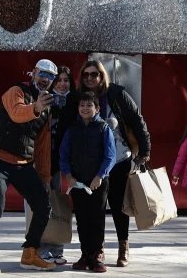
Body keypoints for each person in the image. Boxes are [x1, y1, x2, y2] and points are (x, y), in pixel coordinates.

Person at [59, 59, 150, 268]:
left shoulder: (116, 94)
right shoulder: (76, 99)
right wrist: (63, 167)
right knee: (86, 212)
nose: (90, 78)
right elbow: (65, 130)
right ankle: (88, 253)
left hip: (116, 158)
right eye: (86, 75)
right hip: (84, 164)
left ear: (102, 76)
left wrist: (145, 150)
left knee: (118, 206)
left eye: (94, 74)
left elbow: (137, 119)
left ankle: (122, 246)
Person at [0, 58, 57, 275]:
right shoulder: (16, 91)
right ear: (33, 73)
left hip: (22, 163)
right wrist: (36, 107)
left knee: (43, 205)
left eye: (50, 77)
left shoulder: (48, 109)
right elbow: (16, 113)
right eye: (42, 74)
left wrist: (45, 177)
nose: (45, 79)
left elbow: (41, 147)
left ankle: (30, 253)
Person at [59, 91, 115, 273]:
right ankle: (85, 254)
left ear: (97, 108)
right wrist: (68, 175)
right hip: (78, 182)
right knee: (82, 219)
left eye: (89, 105)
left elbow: (110, 156)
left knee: (96, 218)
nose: (85, 108)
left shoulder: (103, 128)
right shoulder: (72, 129)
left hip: (98, 182)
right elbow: (64, 155)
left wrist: (100, 175)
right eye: (82, 105)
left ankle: (96, 255)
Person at [41, 65, 73, 266]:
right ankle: (42, 246)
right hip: (46, 159)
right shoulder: (45, 99)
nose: (62, 83)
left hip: (67, 162)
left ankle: (58, 247)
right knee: (44, 203)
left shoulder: (76, 101)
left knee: (61, 204)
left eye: (66, 80)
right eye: (59, 80)